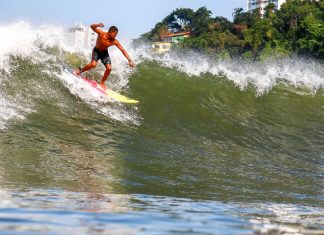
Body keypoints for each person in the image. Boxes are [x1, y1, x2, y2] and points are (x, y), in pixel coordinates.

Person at [75, 23, 135, 90]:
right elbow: (92, 27)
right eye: (115, 34)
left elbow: (123, 50)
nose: (116, 36)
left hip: (104, 53)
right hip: (96, 51)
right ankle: (80, 71)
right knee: (93, 64)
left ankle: (102, 83)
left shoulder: (115, 41)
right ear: (111, 32)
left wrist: (129, 60)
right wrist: (97, 25)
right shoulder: (101, 33)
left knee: (109, 68)